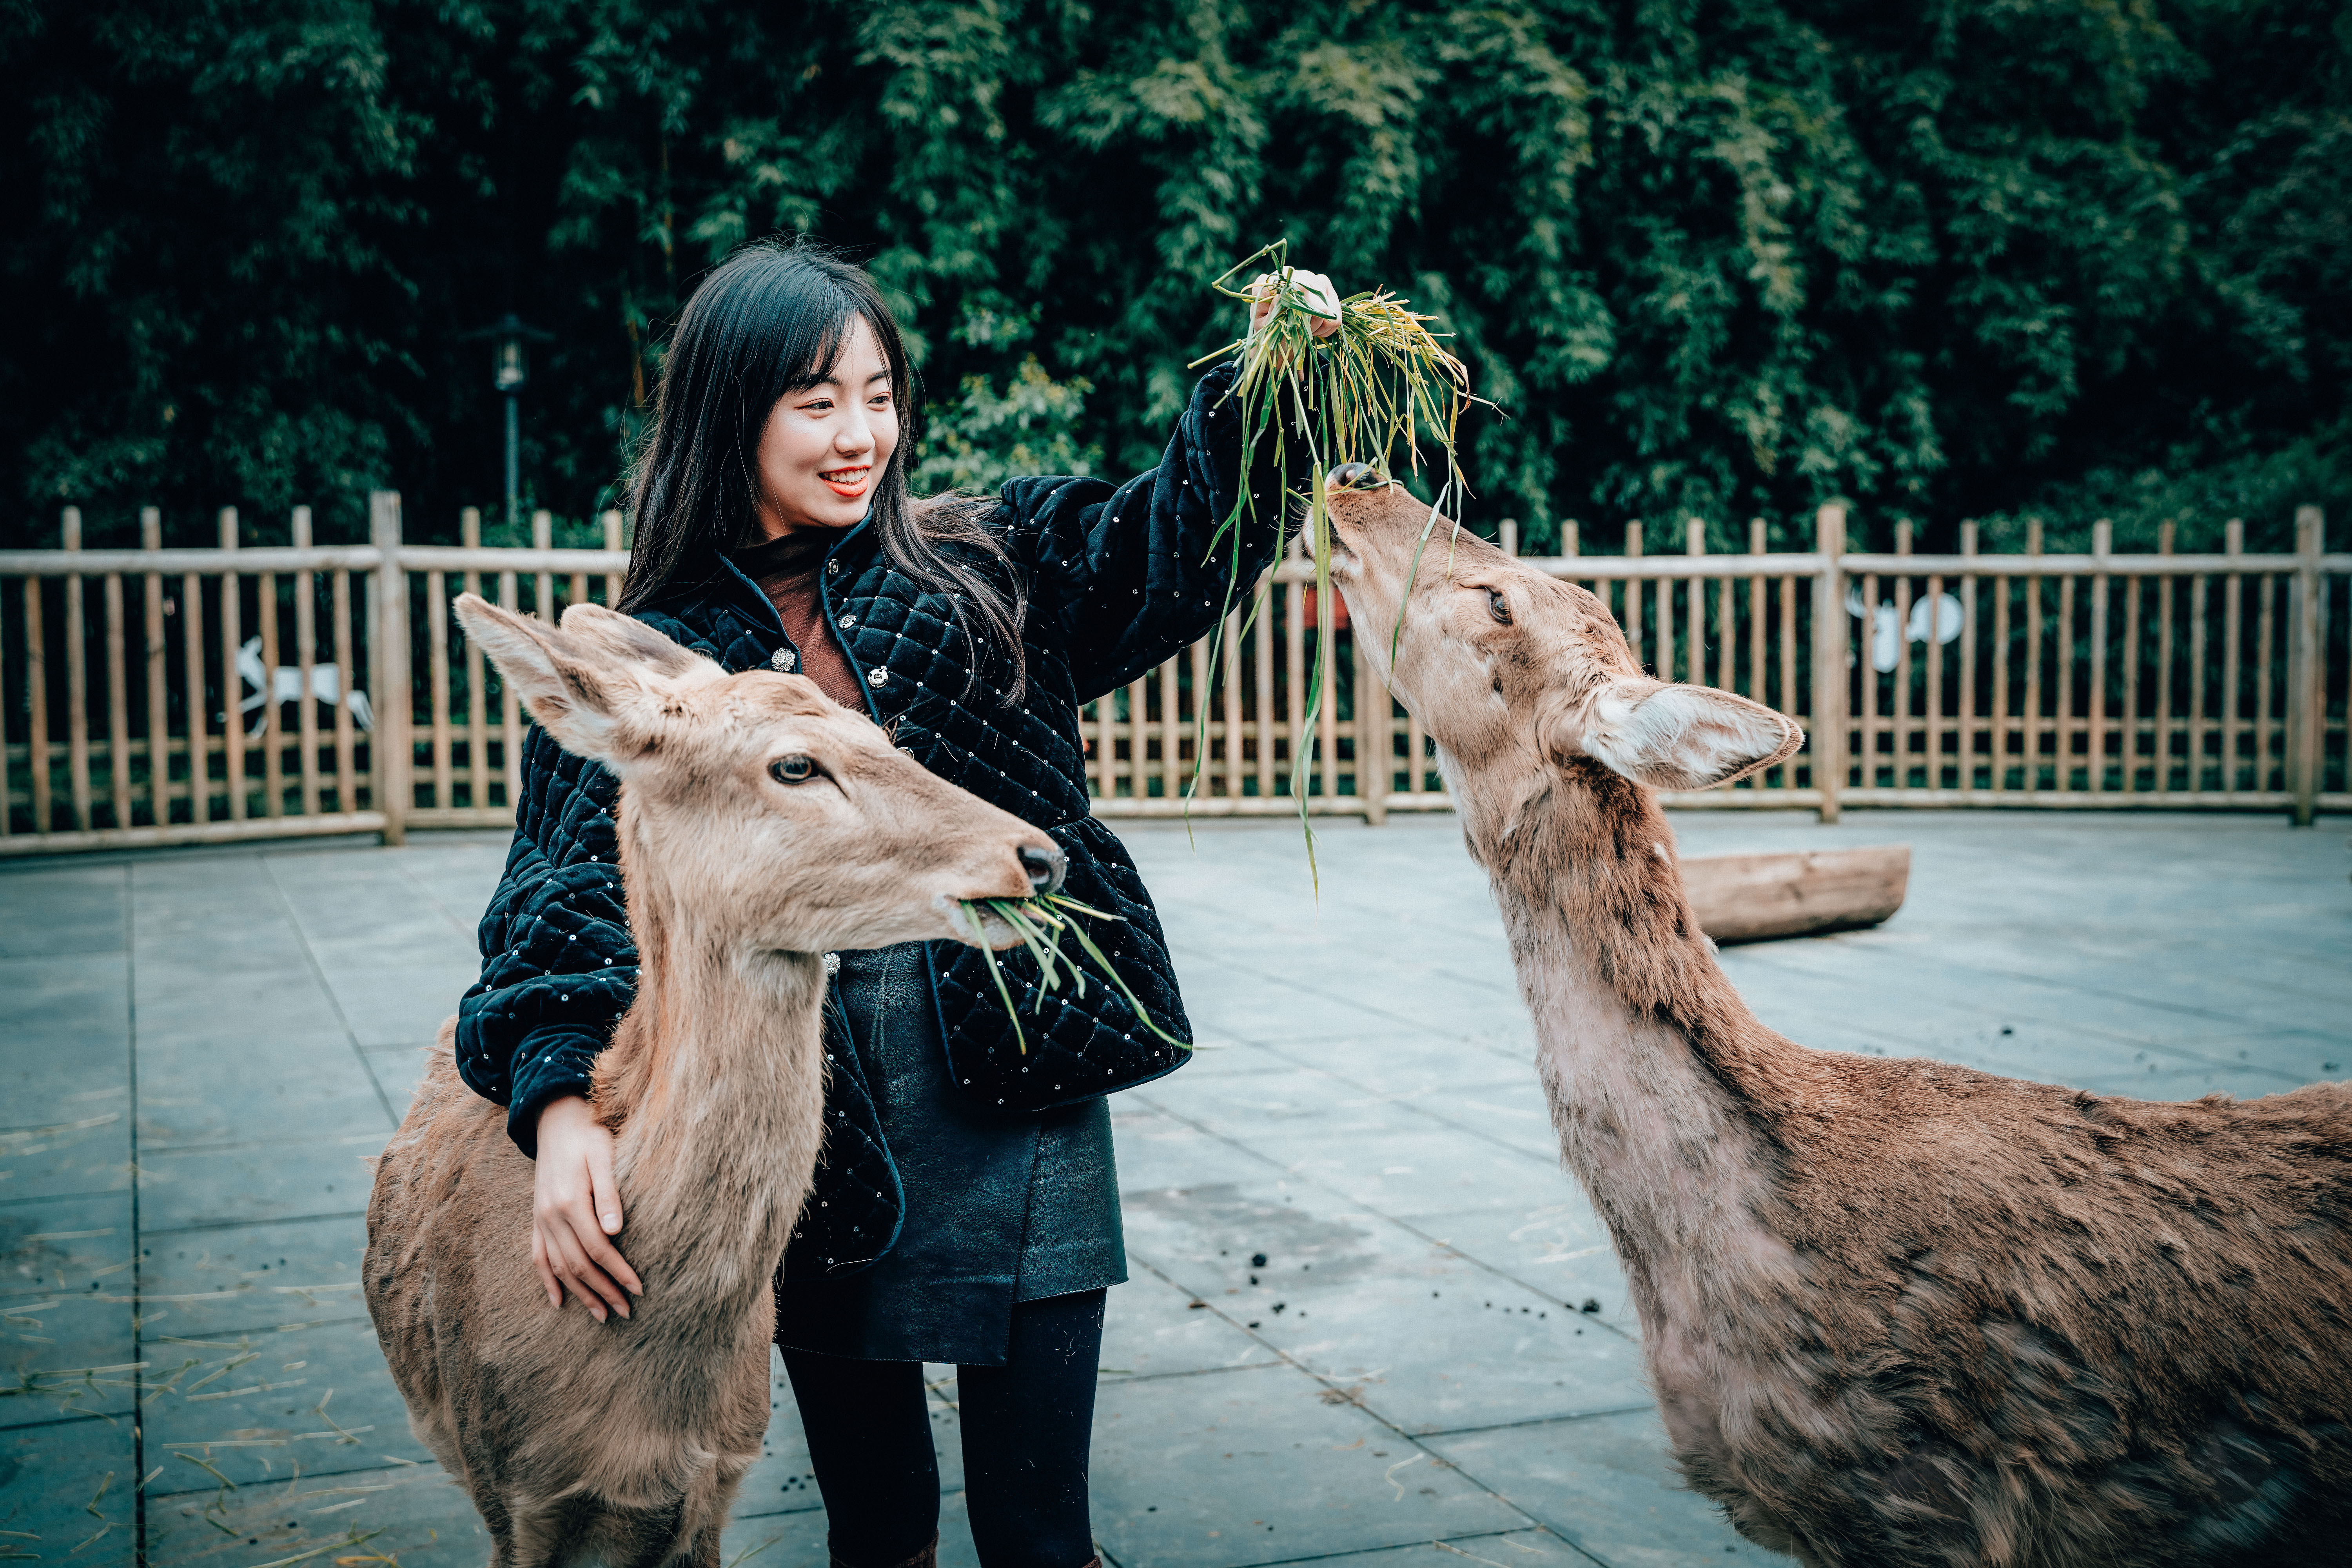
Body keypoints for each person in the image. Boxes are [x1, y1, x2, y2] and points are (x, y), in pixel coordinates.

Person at [454, 240, 1338, 1568]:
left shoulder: (992, 563)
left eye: (879, 393)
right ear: (726, 411)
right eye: (817, 402)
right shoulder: (662, 666)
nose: (862, 433)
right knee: (880, 1527)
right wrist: (562, 1102)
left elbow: (1173, 545)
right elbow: (563, 892)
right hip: (797, 1121)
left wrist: (1267, 394)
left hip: (1021, 1073)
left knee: (1042, 1531)